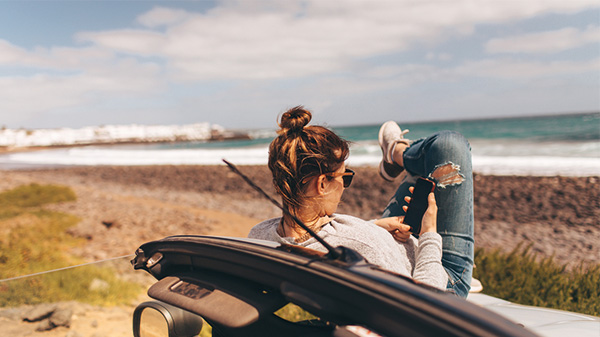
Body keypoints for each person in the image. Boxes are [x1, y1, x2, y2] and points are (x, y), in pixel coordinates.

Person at [248, 106, 474, 298]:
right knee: (449, 144)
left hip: (388, 242)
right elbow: (426, 302)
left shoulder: (260, 236)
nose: (345, 186)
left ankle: (396, 155)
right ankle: (398, 152)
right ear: (322, 184)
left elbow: (332, 242)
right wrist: (429, 234)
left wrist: (374, 226)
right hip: (441, 274)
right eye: (345, 177)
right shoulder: (363, 245)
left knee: (424, 175)